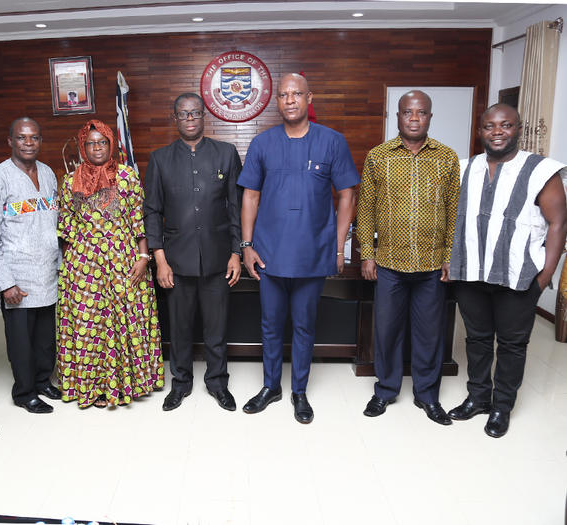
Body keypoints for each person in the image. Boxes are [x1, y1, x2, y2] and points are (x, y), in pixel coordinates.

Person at [238, 73, 359, 424]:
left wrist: (338, 246)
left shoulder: (332, 142)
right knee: (270, 324)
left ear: (309, 98)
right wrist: (247, 246)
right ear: (277, 102)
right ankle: (271, 386)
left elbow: (348, 194)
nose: (290, 100)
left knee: (304, 326)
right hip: (269, 253)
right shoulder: (263, 144)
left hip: (312, 253)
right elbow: (250, 195)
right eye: (283, 95)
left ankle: (299, 392)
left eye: (297, 94)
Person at [448, 103, 567, 438]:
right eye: (489, 126)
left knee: (513, 345)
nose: (497, 132)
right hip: (471, 272)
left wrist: (546, 274)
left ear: (518, 128)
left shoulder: (541, 169)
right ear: (480, 131)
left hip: (519, 275)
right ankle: (478, 397)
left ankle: (502, 406)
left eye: (505, 125)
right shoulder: (463, 168)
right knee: (477, 339)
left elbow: (559, 223)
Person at [357, 90, 459, 426]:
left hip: (431, 265)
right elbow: (366, 209)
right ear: (397, 117)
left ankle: (428, 396)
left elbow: (453, 211)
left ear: (430, 117)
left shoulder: (447, 158)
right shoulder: (378, 156)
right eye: (407, 113)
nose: (414, 118)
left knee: (430, 333)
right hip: (389, 263)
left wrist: (449, 256)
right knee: (386, 331)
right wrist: (367, 255)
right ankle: (385, 391)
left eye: (421, 113)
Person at [144, 93, 242, 412]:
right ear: (175, 118)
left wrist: (236, 253)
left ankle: (217, 383)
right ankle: (181, 383)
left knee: (217, 328)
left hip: (217, 259)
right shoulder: (160, 159)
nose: (189, 119)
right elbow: (151, 212)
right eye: (183, 114)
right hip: (176, 260)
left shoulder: (226, 154)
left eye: (195, 113)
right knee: (180, 328)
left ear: (204, 116)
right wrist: (159, 260)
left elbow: (236, 208)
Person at [57, 119, 163, 408]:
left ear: (111, 144)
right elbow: (66, 226)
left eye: (102, 142)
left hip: (124, 261)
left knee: (125, 321)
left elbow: (139, 221)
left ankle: (131, 383)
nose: (97, 148)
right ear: (83, 147)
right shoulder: (69, 181)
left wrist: (144, 258)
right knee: (89, 325)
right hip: (83, 267)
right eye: (91, 143)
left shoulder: (127, 176)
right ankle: (94, 388)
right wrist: (71, 268)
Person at [0, 117, 61, 414]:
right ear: (10, 141)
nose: (28, 143)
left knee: (46, 338)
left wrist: (59, 265)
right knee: (21, 341)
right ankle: (24, 392)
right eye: (22, 138)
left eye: (34, 138)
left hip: (47, 272)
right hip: (16, 276)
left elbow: (54, 222)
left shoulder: (47, 173)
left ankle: (43, 381)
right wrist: (5, 282)